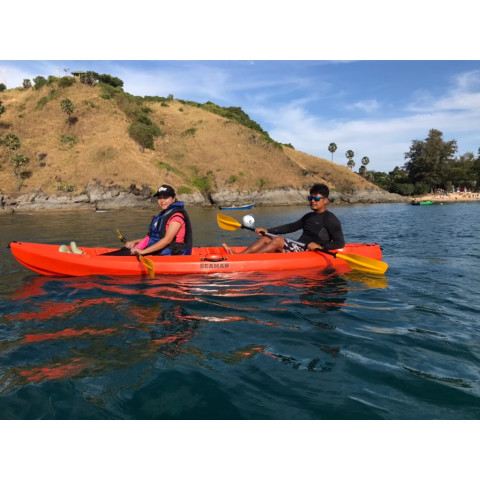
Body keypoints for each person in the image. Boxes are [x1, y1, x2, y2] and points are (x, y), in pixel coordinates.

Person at [229, 183, 344, 254]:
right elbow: (290, 227)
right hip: (298, 247)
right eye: (310, 198)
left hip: (310, 251)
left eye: (316, 199)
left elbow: (340, 243)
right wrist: (268, 230)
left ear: (325, 200)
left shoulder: (331, 219)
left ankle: (249, 261)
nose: (313, 201)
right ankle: (240, 256)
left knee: (279, 240)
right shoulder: (309, 216)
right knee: (266, 237)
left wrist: (320, 246)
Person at [102, 184, 193, 256]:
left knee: (124, 255)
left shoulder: (176, 217)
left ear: (173, 199)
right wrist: (135, 242)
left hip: (173, 254)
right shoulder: (163, 215)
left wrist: (143, 251)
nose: (162, 200)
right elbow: (153, 239)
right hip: (162, 250)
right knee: (123, 251)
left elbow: (167, 240)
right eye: (159, 197)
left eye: (165, 197)